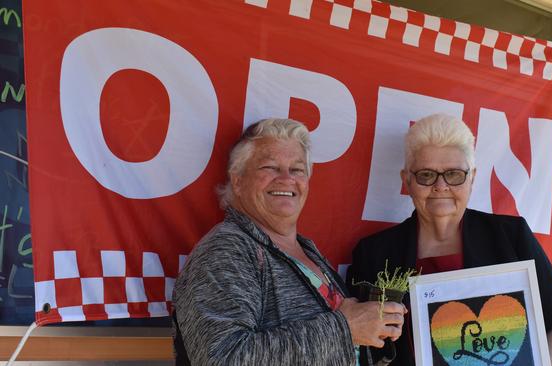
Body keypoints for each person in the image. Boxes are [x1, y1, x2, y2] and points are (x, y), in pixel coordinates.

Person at [346, 114, 552, 366]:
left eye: (454, 174)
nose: (440, 186)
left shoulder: (510, 237)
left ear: (472, 178)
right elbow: (357, 349)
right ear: (407, 180)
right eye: (426, 175)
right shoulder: (373, 253)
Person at [173, 118, 407, 365]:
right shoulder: (226, 249)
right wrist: (345, 328)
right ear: (238, 181)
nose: (286, 178)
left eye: (297, 169)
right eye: (270, 167)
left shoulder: (307, 251)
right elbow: (224, 359)